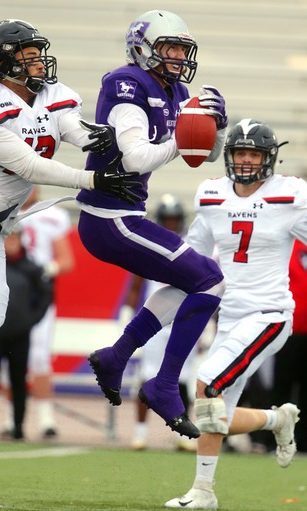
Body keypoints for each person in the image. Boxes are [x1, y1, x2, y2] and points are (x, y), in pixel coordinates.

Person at [0, 19, 140, 411]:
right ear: (1, 64)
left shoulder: (54, 95)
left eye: (37, 54)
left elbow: (74, 129)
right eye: (28, 56)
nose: (40, 62)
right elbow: (29, 166)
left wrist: (111, 136)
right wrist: (90, 179)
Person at [76, 9, 227, 438]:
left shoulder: (175, 89)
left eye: (182, 48)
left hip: (125, 217)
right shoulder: (126, 83)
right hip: (108, 219)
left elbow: (203, 156)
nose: (178, 57)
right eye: (169, 48)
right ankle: (162, 386)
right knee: (210, 280)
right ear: (143, 48)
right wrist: (185, 133)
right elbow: (136, 157)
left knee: (194, 283)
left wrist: (214, 130)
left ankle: (117, 356)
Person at [164, 118, 304, 511]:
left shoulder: (291, 195)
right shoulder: (211, 195)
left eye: (253, 153)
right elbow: (192, 256)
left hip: (271, 313)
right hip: (231, 316)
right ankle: (208, 486)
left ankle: (273, 424)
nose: (245, 160)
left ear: (269, 158)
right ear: (228, 155)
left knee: (206, 382)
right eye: (239, 152)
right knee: (213, 415)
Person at [122, 194, 197, 450]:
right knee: (147, 375)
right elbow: (136, 283)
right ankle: (140, 432)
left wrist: (206, 321)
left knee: (183, 379)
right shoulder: (148, 244)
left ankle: (179, 432)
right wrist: (128, 313)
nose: (171, 225)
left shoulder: (191, 246)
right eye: (167, 219)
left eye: (174, 220)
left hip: (184, 321)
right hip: (154, 321)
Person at [1, 186, 75, 439]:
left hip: (34, 296)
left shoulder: (51, 215)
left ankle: (45, 420)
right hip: (6, 292)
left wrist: (42, 271)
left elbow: (66, 260)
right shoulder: (0, 208)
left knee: (40, 358)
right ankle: (12, 418)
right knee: (7, 358)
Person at [0, 228, 52, 440]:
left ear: (21, 241)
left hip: (20, 335)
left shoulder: (32, 269)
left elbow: (46, 296)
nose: (11, 242)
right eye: (8, 238)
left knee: (18, 380)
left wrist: (31, 320)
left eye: (15, 238)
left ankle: (19, 427)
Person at [272, 239, 307, 453]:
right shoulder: (288, 243)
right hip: (289, 327)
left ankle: (303, 442)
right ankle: (275, 440)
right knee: (282, 386)